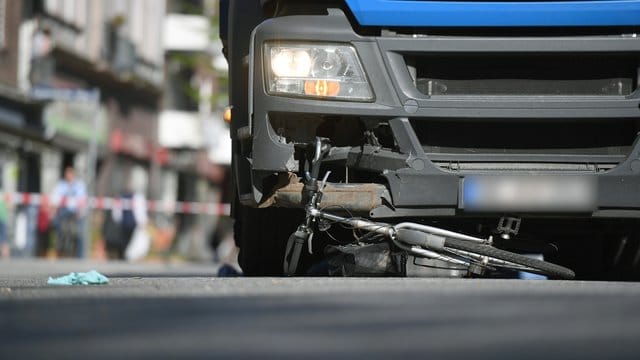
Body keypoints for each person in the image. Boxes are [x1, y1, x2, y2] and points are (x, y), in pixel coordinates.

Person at [51, 167, 87, 258]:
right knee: (59, 229)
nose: (68, 176)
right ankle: (60, 253)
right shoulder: (61, 185)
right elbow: (55, 199)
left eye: (70, 174)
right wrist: (54, 212)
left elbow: (82, 200)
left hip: (75, 213)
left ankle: (80, 256)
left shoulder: (79, 185)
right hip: (63, 213)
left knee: (79, 233)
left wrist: (80, 212)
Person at [0, 191, 9, 259]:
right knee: (4, 237)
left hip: (3, 218)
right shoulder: (3, 192)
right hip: (3, 218)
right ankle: (5, 254)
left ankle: (4, 254)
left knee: (3, 237)